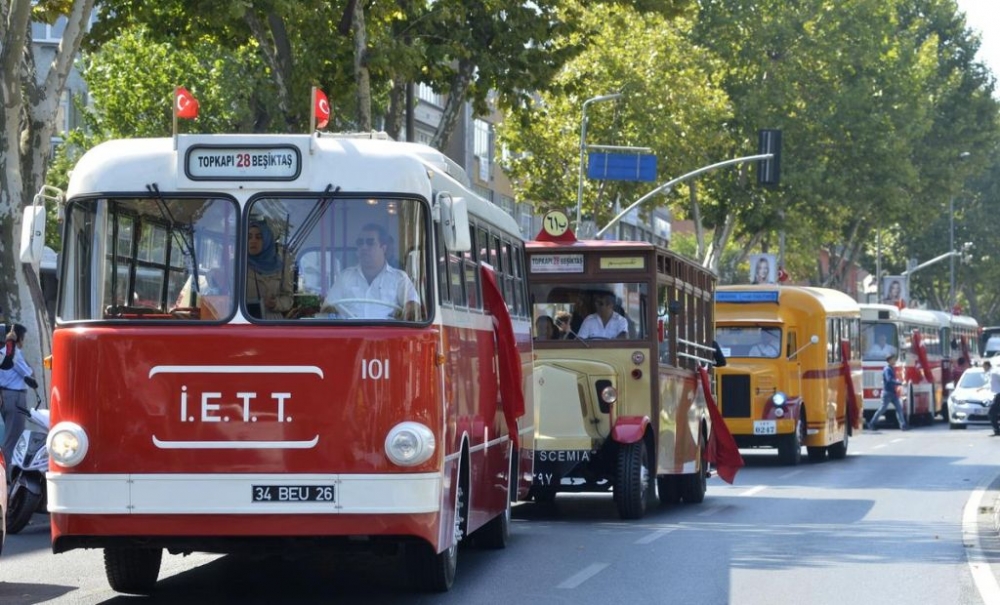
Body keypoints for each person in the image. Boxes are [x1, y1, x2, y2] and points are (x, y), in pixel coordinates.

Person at [323, 223, 421, 320]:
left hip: (387, 334)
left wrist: (406, 313)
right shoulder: (345, 277)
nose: (364, 247)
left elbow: (413, 306)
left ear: (383, 248)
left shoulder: (399, 278)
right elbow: (327, 307)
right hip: (350, 333)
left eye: (370, 242)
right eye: (360, 242)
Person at [0, 324, 39, 474]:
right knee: (14, 440)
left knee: (9, 437)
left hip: (5, 396)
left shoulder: (3, 353)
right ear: (19, 338)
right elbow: (28, 374)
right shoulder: (14, 353)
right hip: (15, 397)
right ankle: (7, 478)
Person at [246, 219, 294, 319]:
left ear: (267, 241)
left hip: (273, 323)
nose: (253, 241)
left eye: (259, 237)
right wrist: (214, 277)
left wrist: (276, 303)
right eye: (249, 237)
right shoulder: (238, 264)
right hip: (245, 321)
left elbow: (288, 298)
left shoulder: (280, 266)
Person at [867, 353, 908, 431]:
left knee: (899, 408)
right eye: (893, 359)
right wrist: (900, 383)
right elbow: (889, 380)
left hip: (892, 393)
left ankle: (903, 425)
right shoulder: (887, 369)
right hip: (887, 393)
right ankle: (872, 423)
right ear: (889, 360)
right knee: (882, 409)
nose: (894, 360)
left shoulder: (891, 368)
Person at [986, 360, 1000, 436]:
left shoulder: (994, 372)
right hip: (996, 395)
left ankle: (997, 430)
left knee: (991, 413)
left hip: (998, 395)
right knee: (993, 413)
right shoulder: (992, 373)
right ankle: (997, 430)